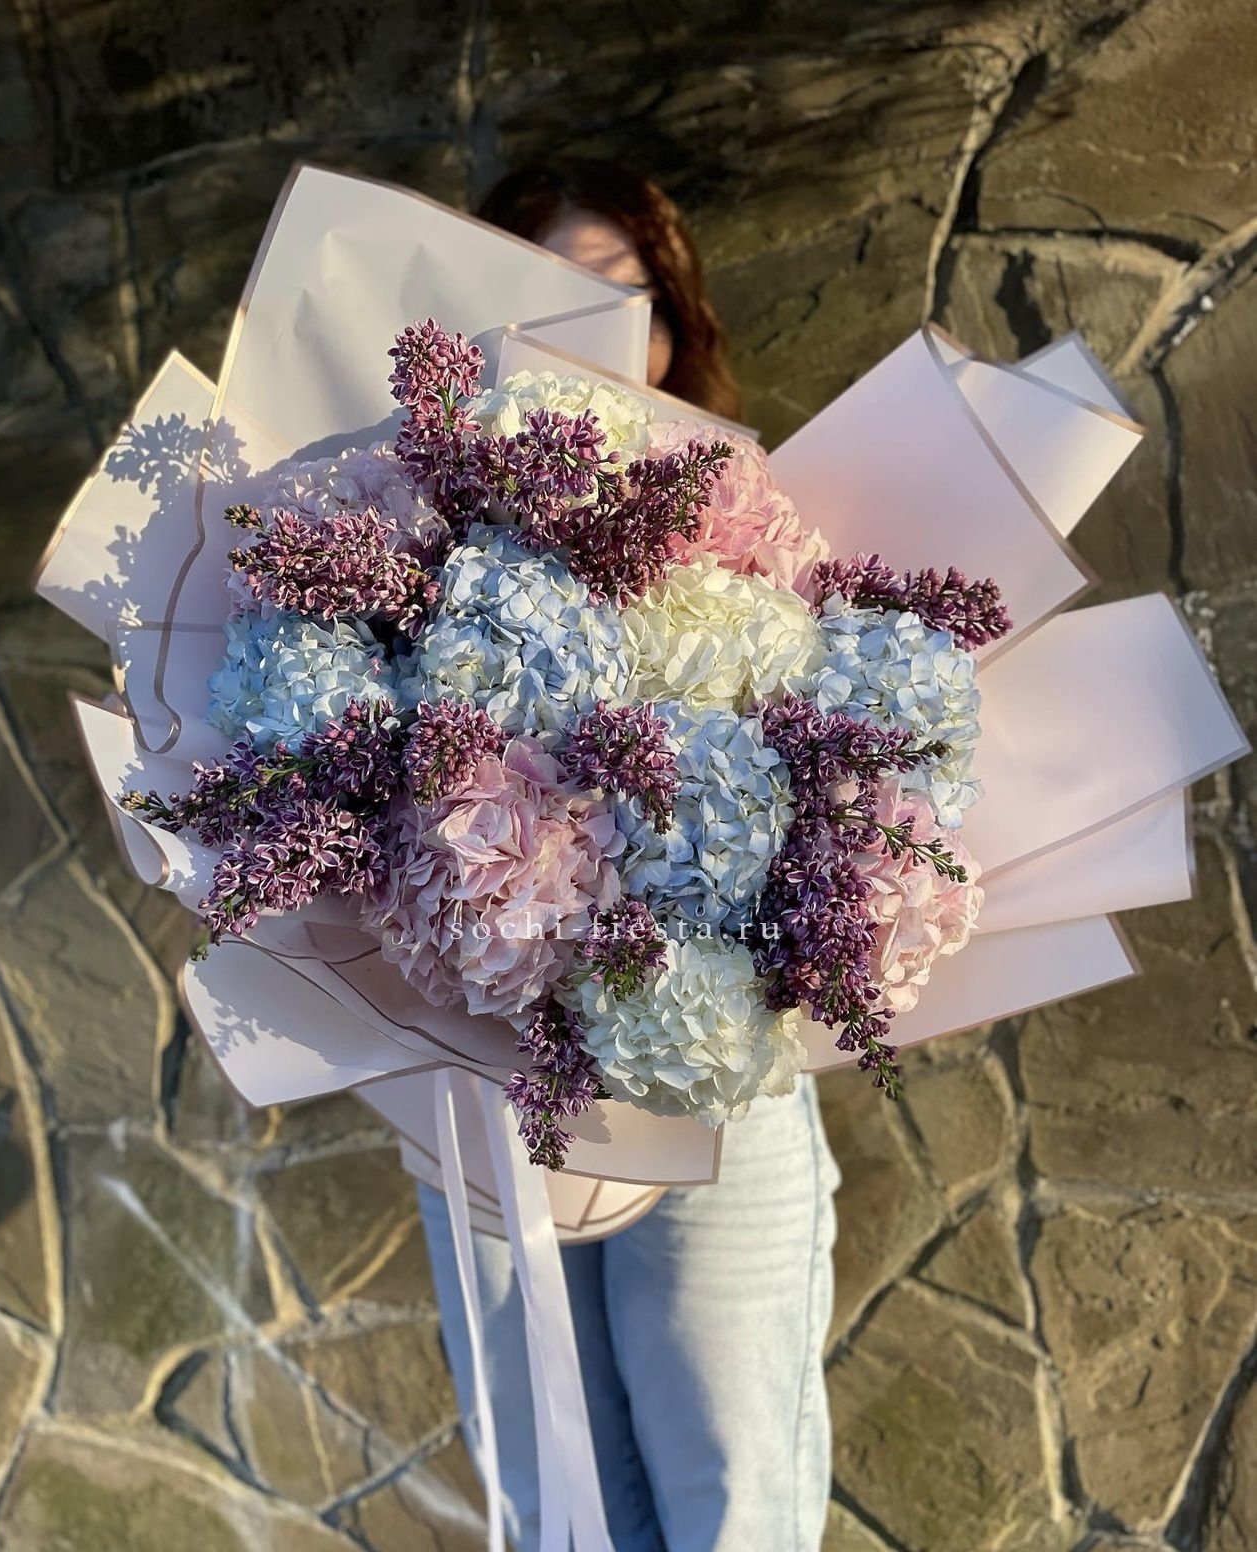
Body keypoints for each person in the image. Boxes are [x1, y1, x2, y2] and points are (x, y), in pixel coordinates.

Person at [417, 158, 842, 1552]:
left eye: (629, 296)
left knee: (732, 1500)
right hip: (489, 1079)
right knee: (556, 1503)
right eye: (554, 296)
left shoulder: (763, 533)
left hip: (714, 1069)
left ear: (676, 321)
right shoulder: (403, 538)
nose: (600, 333)